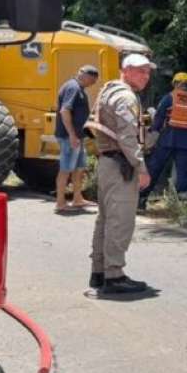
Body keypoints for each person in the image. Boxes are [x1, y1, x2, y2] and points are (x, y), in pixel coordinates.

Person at [85, 54, 154, 294]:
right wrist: (141, 167)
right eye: (141, 71)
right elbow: (127, 136)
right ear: (126, 71)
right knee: (120, 221)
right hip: (121, 165)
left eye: (147, 72)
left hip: (108, 162)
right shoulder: (125, 96)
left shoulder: (109, 91)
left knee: (105, 220)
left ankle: (99, 272)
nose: (146, 76)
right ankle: (114, 276)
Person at [140, 71, 187, 208]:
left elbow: (158, 120)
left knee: (154, 170)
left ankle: (141, 200)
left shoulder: (169, 98)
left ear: (176, 83)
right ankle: (181, 208)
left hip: (166, 140)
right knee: (183, 174)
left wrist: (151, 133)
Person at [55, 64, 100, 213]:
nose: (92, 84)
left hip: (77, 137)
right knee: (66, 169)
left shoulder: (78, 89)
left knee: (79, 168)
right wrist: (72, 135)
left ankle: (77, 198)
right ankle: (60, 203)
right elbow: (65, 111)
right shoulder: (73, 88)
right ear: (86, 76)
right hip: (70, 137)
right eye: (92, 81)